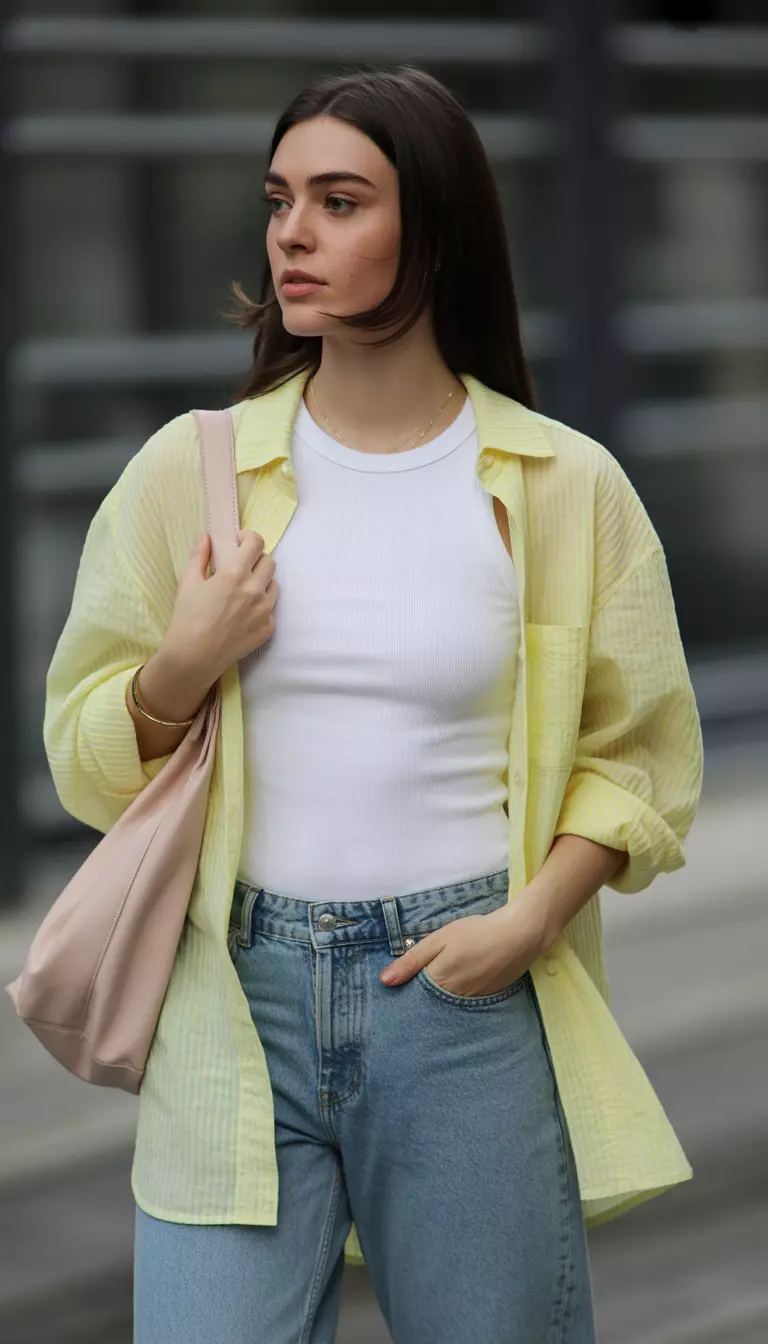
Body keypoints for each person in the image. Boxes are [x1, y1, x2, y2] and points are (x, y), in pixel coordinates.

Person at [43, 66, 703, 1344]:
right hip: (236, 999)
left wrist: (526, 925)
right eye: (280, 199)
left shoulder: (566, 485)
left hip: (463, 997)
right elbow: (83, 758)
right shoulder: (194, 471)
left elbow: (640, 760)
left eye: (340, 201)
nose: (293, 232)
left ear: (436, 231)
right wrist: (186, 660)